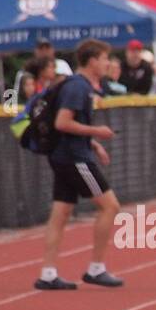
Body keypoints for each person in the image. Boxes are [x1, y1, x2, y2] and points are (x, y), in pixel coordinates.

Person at [34, 39, 124, 290]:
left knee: (60, 213)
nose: (108, 64)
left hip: (64, 154)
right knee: (110, 206)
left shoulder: (74, 85)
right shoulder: (78, 87)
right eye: (105, 58)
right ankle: (96, 268)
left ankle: (48, 273)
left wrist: (93, 143)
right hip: (74, 158)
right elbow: (63, 123)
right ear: (93, 60)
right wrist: (97, 132)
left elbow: (67, 126)